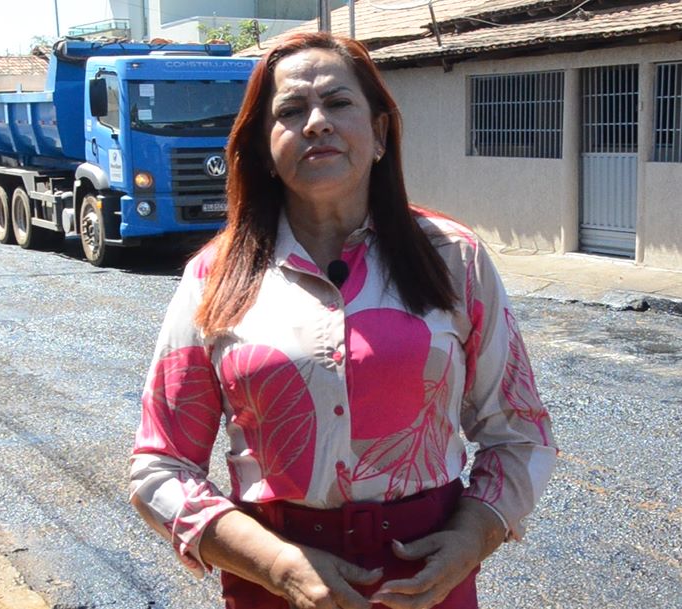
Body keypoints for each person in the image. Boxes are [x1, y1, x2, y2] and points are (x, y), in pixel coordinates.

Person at [129, 32, 557, 609]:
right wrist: (276, 566)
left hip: (427, 580)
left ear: (379, 133)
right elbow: (160, 466)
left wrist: (472, 536)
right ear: (264, 148)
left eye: (337, 102)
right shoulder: (215, 277)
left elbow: (519, 432)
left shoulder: (453, 258)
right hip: (272, 584)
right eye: (290, 111)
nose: (316, 123)